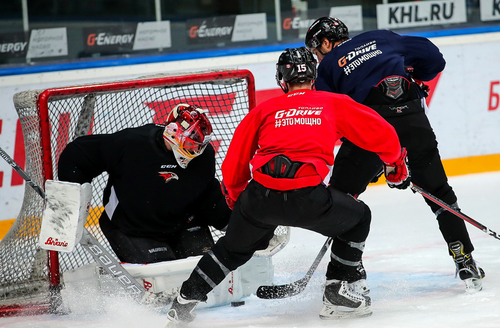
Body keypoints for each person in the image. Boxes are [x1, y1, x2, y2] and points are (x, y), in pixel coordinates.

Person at [163, 47, 409, 326]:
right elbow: (383, 134)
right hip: (308, 198)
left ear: (283, 78)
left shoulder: (264, 109)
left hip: (259, 199)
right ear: (313, 75)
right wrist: (395, 165)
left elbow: (233, 163)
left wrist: (235, 199)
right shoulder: (331, 102)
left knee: (231, 250)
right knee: (358, 218)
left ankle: (183, 303)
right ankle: (337, 291)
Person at [305, 17, 485, 293]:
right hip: (413, 121)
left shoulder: (328, 66)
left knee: (342, 200)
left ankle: (346, 275)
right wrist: (417, 78)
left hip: (370, 129)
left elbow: (329, 114)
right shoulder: (382, 38)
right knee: (438, 190)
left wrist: (368, 155)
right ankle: (464, 258)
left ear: (327, 42)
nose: (318, 56)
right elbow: (434, 59)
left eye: (317, 48)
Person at [58, 103, 231, 265]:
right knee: (164, 278)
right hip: (132, 227)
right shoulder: (132, 143)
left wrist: (231, 222)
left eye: (198, 146)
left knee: (207, 270)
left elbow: (206, 190)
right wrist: (69, 204)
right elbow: (77, 154)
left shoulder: (203, 156)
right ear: (172, 132)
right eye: (189, 145)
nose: (194, 151)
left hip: (184, 224)